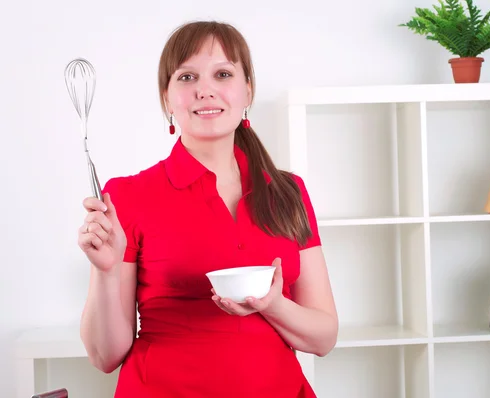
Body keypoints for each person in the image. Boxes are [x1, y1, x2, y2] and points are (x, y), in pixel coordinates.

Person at [77, 20, 338, 397]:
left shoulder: (288, 191)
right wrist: (104, 272)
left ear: (247, 90)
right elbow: (104, 357)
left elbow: (324, 337)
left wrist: (273, 305)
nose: (205, 90)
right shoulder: (127, 196)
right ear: (167, 98)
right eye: (186, 77)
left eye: (223, 74)